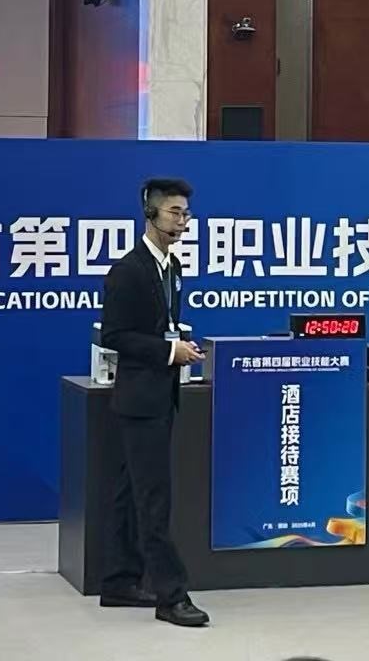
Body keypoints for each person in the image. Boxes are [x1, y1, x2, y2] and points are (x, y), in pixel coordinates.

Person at [99, 177, 209, 628]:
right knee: (153, 498)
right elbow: (115, 335)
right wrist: (167, 352)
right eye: (174, 213)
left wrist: (179, 346)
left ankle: (119, 581)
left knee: (129, 493)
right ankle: (171, 595)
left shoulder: (172, 267)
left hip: (162, 395)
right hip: (140, 399)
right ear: (150, 213)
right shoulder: (129, 270)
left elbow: (161, 326)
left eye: (186, 214)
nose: (182, 221)